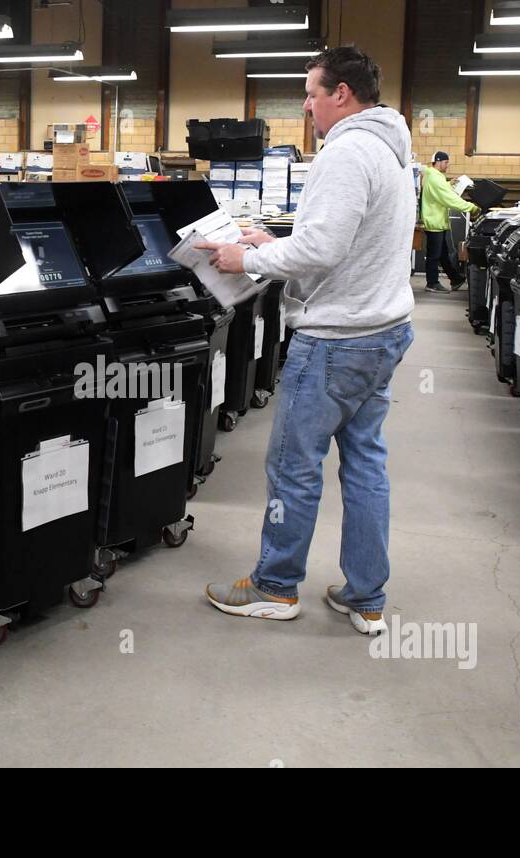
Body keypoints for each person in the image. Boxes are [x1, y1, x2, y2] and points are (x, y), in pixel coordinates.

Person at [195, 46, 416, 635]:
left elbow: (321, 251)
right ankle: (366, 595)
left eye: (312, 94)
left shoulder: (347, 152)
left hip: (336, 340)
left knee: (294, 465)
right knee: (366, 463)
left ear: (341, 94)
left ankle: (274, 585)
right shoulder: (394, 149)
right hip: (382, 330)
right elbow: (343, 242)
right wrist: (273, 239)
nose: (307, 106)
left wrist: (249, 257)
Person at [420, 151, 478, 293]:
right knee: (434, 255)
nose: (447, 165)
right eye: (446, 162)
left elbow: (440, 189)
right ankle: (432, 283)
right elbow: (448, 198)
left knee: (443, 253)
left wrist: (449, 183)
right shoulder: (434, 178)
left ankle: (456, 278)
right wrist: (471, 207)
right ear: (438, 162)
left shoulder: (433, 175)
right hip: (434, 221)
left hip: (437, 220)